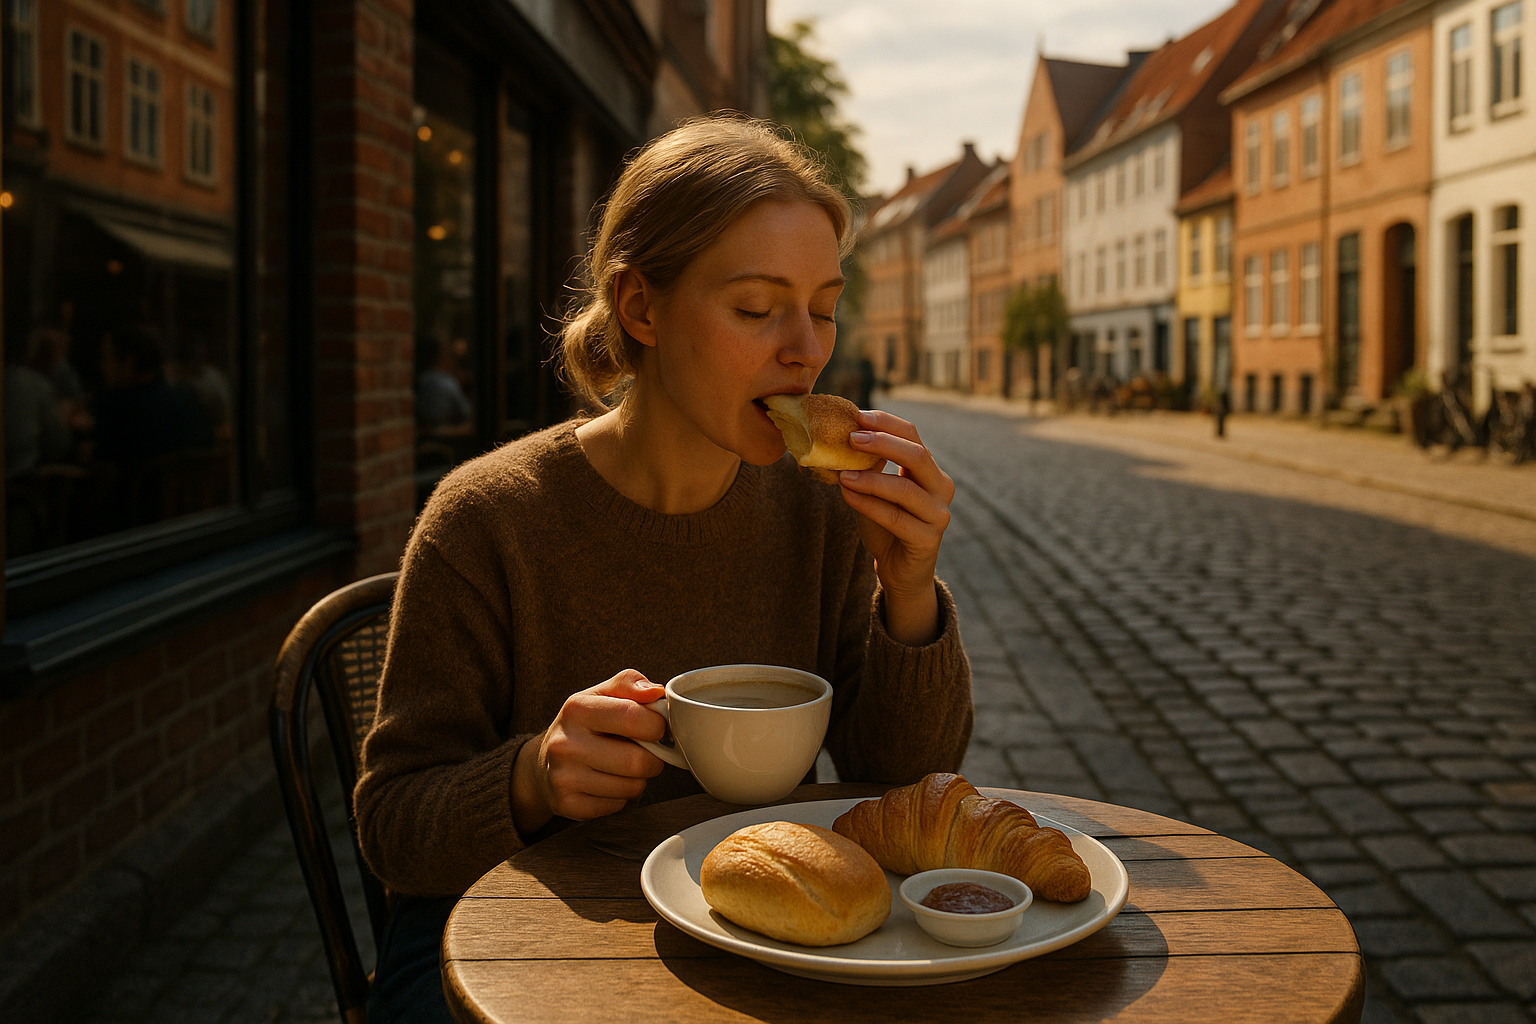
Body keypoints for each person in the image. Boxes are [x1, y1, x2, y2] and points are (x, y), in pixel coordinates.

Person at [354, 116, 973, 1023]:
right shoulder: (489, 518)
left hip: (760, 930)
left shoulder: (818, 509)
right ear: (641, 308)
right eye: (757, 309)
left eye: (824, 308)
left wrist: (908, 592)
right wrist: (532, 777)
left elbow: (903, 782)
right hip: (512, 939)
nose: (806, 349)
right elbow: (393, 828)